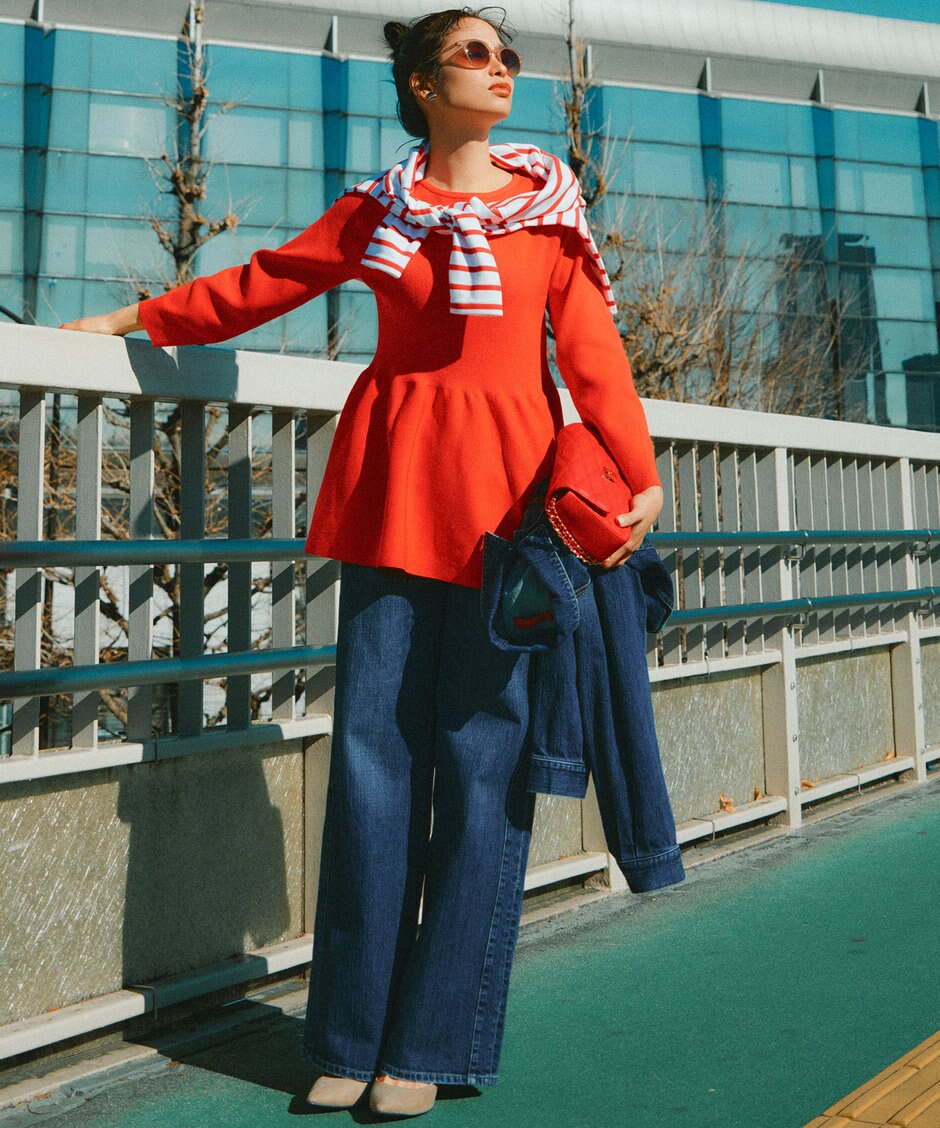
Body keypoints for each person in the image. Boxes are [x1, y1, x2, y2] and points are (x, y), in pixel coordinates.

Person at [60, 6, 671, 1118]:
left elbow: (593, 354)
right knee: (373, 767)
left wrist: (639, 473)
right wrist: (133, 321)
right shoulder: (381, 209)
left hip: (512, 515)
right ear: (423, 86)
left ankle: (428, 1045)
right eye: (475, 54)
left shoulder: (548, 209)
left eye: (507, 55)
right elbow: (267, 279)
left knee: (481, 773)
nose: (501, 70)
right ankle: (347, 1034)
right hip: (391, 496)